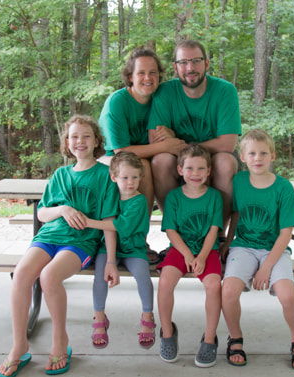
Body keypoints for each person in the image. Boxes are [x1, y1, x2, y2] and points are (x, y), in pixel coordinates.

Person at [0, 115, 119, 377]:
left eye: (86, 136)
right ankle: (20, 345)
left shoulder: (105, 176)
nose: (80, 141)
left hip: (80, 242)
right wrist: (62, 209)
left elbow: (110, 222)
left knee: (49, 276)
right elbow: (42, 214)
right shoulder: (60, 174)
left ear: (97, 141)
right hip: (48, 237)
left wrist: (109, 260)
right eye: (74, 136)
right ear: (67, 142)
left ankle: (60, 341)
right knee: (21, 275)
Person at [220, 129, 294, 371]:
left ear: (273, 156)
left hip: (275, 249)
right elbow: (237, 213)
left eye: (263, 153)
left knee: (288, 296)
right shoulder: (239, 181)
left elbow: (285, 233)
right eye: (252, 153)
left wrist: (266, 268)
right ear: (242, 157)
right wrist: (228, 242)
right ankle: (235, 338)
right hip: (244, 246)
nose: (257, 158)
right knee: (228, 291)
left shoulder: (283, 188)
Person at [99, 46, 187, 263]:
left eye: (153, 72)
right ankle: (139, 241)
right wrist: (165, 146)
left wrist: (169, 137)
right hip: (108, 158)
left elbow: (162, 138)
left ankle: (177, 237)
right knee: (143, 168)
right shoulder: (118, 102)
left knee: (154, 165)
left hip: (141, 156)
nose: (148, 78)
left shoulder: (159, 98)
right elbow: (120, 151)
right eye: (141, 73)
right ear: (130, 77)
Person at [147, 39, 241, 237]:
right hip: (178, 161)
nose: (190, 68)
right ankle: (176, 234)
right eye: (183, 62)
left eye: (196, 61)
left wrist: (177, 141)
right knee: (160, 161)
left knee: (224, 162)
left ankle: (217, 236)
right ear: (175, 67)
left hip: (214, 158)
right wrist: (176, 147)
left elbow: (227, 143)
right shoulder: (165, 92)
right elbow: (154, 140)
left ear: (206, 63)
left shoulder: (225, 91)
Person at [78, 151, 156, 350]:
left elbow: (116, 225)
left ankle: (147, 317)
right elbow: (107, 222)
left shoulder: (138, 201)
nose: (130, 182)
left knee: (143, 275)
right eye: (125, 177)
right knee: (100, 275)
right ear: (114, 177)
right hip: (108, 248)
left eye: (135, 177)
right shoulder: (110, 194)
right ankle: (99, 317)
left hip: (133, 249)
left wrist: (88, 223)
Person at [156, 144, 223, 368]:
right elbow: (171, 230)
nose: (196, 174)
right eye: (190, 168)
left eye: (201, 169)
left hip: (206, 249)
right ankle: (167, 333)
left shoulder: (215, 197)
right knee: (165, 282)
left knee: (214, 286)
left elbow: (214, 229)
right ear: (180, 170)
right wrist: (186, 253)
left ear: (209, 171)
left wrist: (202, 256)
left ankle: (210, 338)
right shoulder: (174, 197)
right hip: (180, 248)